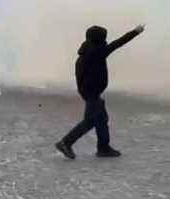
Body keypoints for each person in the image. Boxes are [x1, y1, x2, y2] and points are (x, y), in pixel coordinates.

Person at [56, 24, 145, 159]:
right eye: (104, 38)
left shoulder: (86, 51)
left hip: (90, 92)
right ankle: (66, 142)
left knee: (101, 119)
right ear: (99, 39)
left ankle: (103, 148)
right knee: (91, 121)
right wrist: (136, 32)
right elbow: (118, 43)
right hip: (91, 92)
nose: (106, 40)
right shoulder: (96, 52)